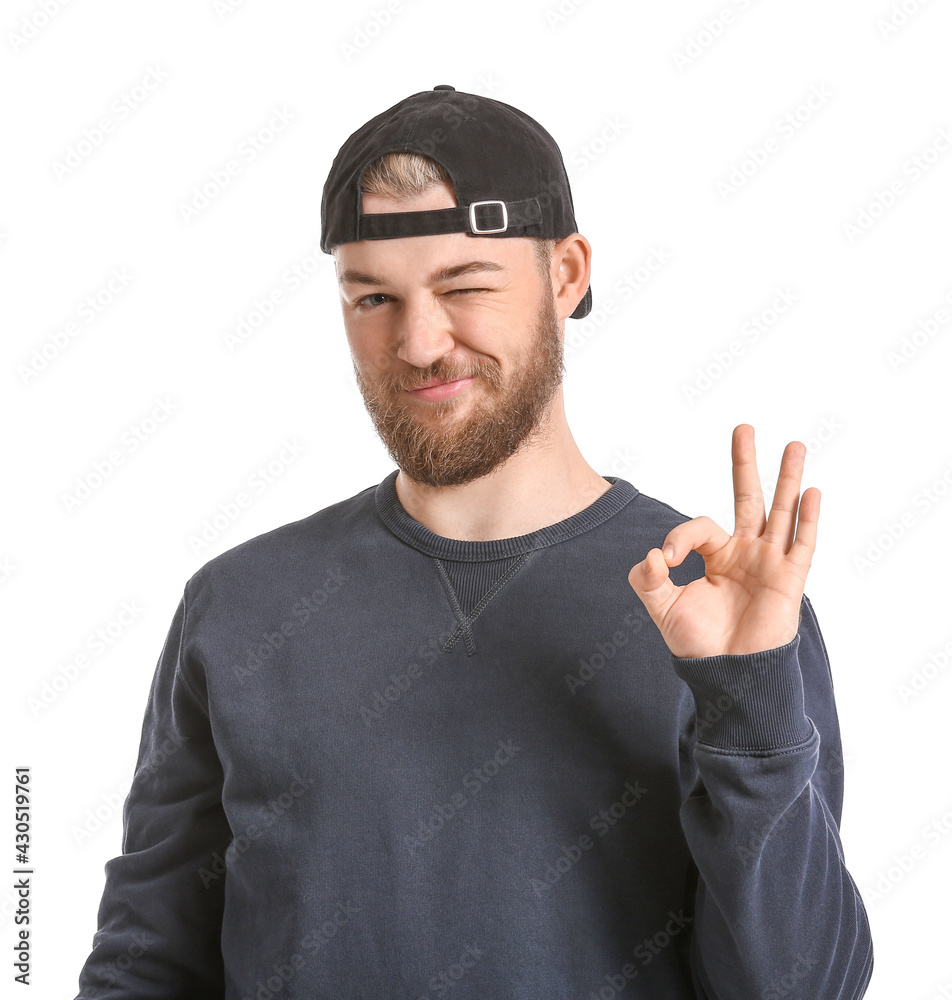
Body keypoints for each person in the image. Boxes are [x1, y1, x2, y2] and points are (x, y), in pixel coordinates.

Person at [73, 85, 873, 999]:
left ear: (566, 275)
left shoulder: (720, 610)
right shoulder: (240, 604)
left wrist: (750, 708)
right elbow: (145, 967)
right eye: (373, 296)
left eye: (465, 287)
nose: (417, 343)